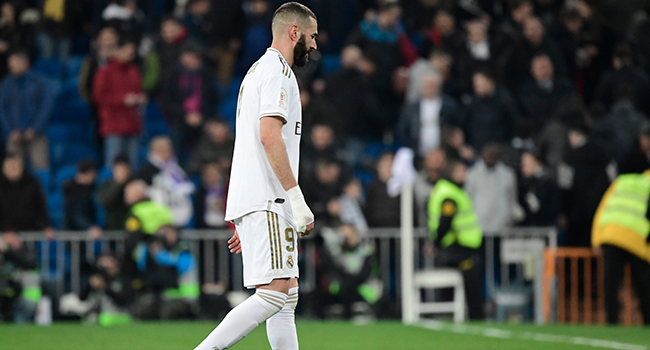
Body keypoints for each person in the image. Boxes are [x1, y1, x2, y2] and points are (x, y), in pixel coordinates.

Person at [192, 3, 317, 350]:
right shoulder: (278, 72)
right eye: (312, 36)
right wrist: (295, 197)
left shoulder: (256, 70)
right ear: (295, 33)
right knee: (277, 293)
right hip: (270, 198)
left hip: (259, 199)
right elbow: (267, 135)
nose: (316, 45)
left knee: (287, 294)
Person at [592, 170, 650, 325]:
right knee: (644, 285)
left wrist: (596, 239)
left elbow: (602, 208)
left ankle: (612, 322)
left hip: (611, 234)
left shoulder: (623, 181)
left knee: (611, 283)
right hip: (638, 239)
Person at [427, 161, 484, 320]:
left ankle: (449, 315)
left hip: (462, 245)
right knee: (469, 283)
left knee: (458, 284)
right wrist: (436, 243)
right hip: (457, 247)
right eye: (460, 171)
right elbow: (446, 220)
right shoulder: (449, 193)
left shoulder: (452, 190)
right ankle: (475, 316)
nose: (463, 175)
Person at [92, 39, 146, 168]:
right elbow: (98, 97)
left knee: (132, 165)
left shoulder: (134, 71)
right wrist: (122, 100)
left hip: (132, 123)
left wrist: (140, 99)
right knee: (113, 165)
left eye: (132, 52)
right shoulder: (105, 72)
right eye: (126, 51)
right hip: (113, 124)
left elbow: (138, 90)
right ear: (117, 51)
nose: (129, 55)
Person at [0, 50, 55, 170]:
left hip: (37, 135)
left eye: (14, 63)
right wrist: (9, 131)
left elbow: (46, 106)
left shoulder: (40, 82)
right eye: (10, 64)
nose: (11, 67)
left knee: (40, 169)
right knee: (13, 171)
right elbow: (2, 109)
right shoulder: (6, 84)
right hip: (14, 135)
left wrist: (35, 128)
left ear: (25, 63)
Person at [396, 73, 459, 159]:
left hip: (444, 154)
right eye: (426, 85)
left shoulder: (449, 106)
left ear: (438, 86)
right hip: (418, 154)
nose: (429, 88)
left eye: (432, 85)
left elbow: (455, 128)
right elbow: (403, 130)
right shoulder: (412, 108)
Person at [137, 136, 195, 227]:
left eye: (169, 149)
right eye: (164, 149)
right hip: (159, 218)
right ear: (156, 150)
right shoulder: (147, 170)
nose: (168, 153)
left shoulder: (176, 167)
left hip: (179, 211)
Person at [465, 144, 519, 234]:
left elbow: (512, 198)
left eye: (493, 154)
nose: (490, 157)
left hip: (502, 224)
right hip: (479, 224)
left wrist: (510, 217)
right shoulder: (472, 174)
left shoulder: (508, 174)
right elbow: (468, 198)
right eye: (488, 154)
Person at [0, 154, 53, 239]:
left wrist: (47, 226)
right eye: (10, 166)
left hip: (29, 233)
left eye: (16, 166)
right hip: (4, 237)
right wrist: (5, 230)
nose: (14, 169)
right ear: (4, 169)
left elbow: (40, 206)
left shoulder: (32, 183)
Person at [517, 151, 561, 226]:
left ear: (536, 163)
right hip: (529, 226)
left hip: (545, 225)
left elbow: (555, 207)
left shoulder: (548, 182)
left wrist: (540, 208)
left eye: (526, 165)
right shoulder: (524, 183)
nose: (523, 168)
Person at [62, 160, 102, 237]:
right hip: (74, 234)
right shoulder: (73, 192)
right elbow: (77, 214)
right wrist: (90, 227)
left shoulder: (91, 189)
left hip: (82, 234)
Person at [98, 155, 132, 230]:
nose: (122, 172)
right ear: (114, 169)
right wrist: (118, 184)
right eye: (119, 169)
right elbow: (105, 201)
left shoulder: (133, 184)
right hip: (111, 228)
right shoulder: (107, 184)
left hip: (130, 228)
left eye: (125, 169)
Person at [194, 162, 227, 229]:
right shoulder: (201, 192)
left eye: (214, 174)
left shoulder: (226, 190)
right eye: (209, 175)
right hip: (206, 228)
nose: (212, 178)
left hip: (224, 227)